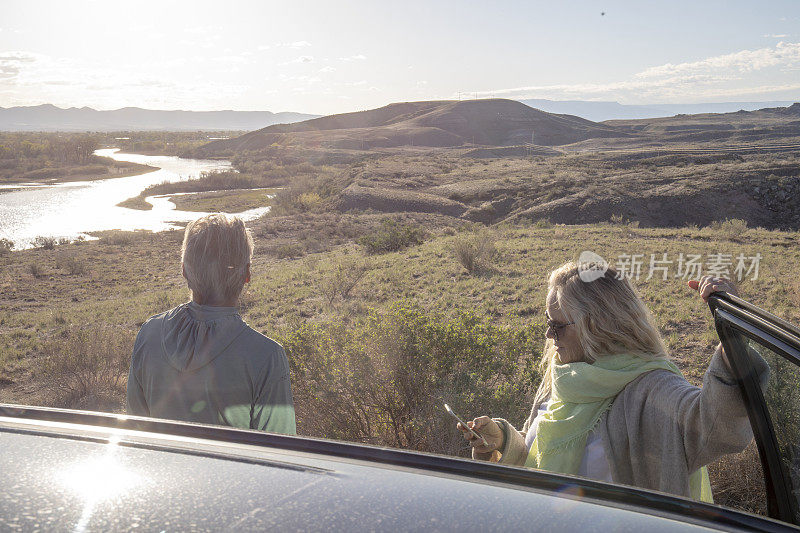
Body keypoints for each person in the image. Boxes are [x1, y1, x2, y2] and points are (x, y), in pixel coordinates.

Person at [458, 261, 767, 502]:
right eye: (548, 324)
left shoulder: (651, 390)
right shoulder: (564, 375)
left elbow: (718, 429)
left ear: (598, 325)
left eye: (558, 325)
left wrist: (732, 339)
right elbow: (538, 457)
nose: (549, 336)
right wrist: (501, 440)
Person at [126, 213, 296, 434]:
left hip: (160, 468)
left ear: (184, 271)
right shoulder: (267, 356)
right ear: (247, 274)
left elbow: (135, 427)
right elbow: (280, 449)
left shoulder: (150, 332)